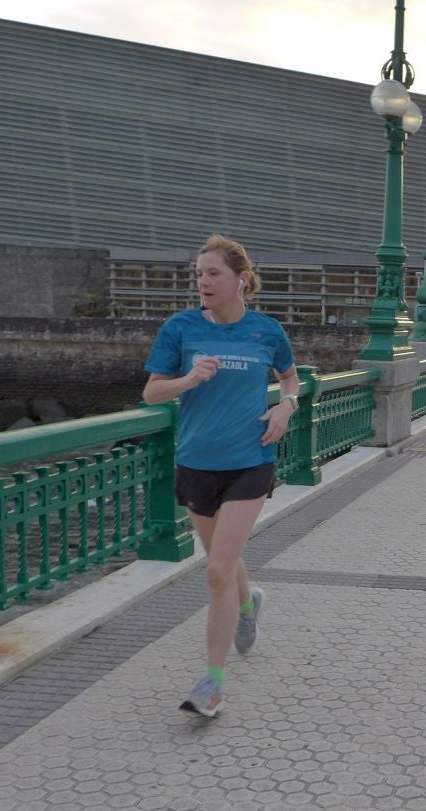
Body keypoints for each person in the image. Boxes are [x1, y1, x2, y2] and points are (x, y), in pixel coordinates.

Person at [143, 234, 297, 717]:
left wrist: (285, 409)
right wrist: (188, 379)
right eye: (199, 274)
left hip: (250, 462)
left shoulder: (266, 331)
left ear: (240, 280)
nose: (203, 282)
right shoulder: (180, 328)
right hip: (195, 463)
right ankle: (248, 605)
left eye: (213, 274)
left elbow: (290, 378)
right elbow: (151, 393)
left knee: (214, 572)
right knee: (225, 565)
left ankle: (211, 684)